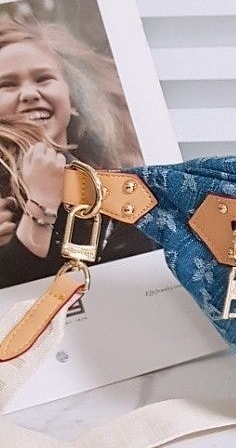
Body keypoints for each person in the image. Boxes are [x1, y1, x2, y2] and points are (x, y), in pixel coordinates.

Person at [0, 17, 155, 288]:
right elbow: (20, 287)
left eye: (43, 79)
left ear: (72, 100)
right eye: (7, 84)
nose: (30, 93)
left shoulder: (114, 186)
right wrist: (41, 204)